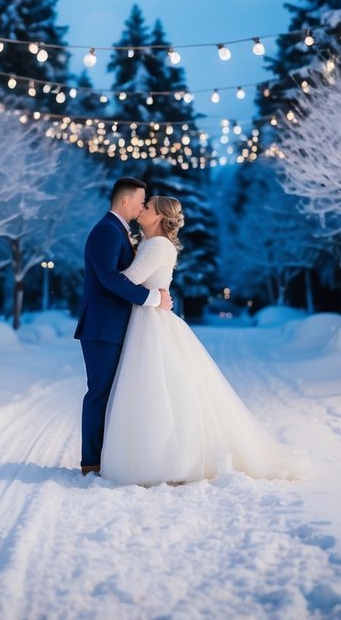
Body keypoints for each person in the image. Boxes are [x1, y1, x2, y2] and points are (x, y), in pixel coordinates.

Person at [100, 194, 308, 486]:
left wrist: (106, 270)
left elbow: (129, 279)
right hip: (145, 317)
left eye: (147, 207)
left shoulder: (158, 246)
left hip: (151, 320)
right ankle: (151, 454)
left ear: (159, 216)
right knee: (151, 386)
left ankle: (160, 458)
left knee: (153, 386)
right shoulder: (150, 244)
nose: (141, 209)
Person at [74, 177, 173, 476]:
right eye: (141, 201)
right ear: (126, 201)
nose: (143, 206)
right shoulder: (107, 231)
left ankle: (110, 457)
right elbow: (110, 278)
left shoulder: (119, 231)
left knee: (114, 393)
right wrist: (154, 297)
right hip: (103, 327)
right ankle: (91, 462)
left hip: (116, 326)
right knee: (100, 393)